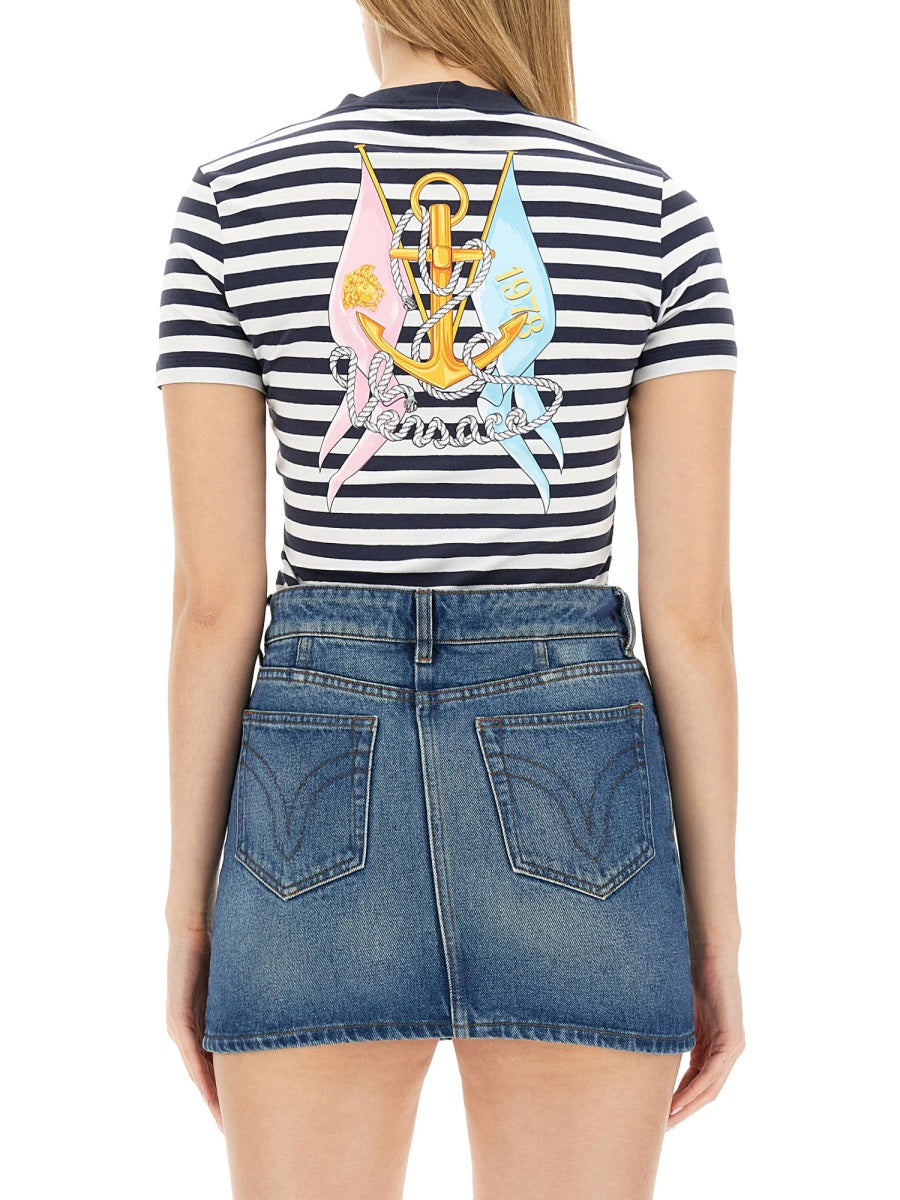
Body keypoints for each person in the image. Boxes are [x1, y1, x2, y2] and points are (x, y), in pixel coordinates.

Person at [156, 1, 744, 1195]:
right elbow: (690, 618)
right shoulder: (652, 210)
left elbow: (216, 604)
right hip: (579, 769)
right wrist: (716, 927)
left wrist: (190, 915)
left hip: (312, 776)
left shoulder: (233, 201)